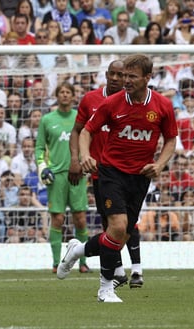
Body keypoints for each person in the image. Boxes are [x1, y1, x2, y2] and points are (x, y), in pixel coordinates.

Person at [58, 54, 178, 303]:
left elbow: (170, 139)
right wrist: (84, 156)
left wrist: (160, 164)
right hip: (110, 172)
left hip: (140, 176)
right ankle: (105, 289)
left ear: (147, 77)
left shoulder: (162, 106)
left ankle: (78, 249)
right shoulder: (111, 103)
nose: (126, 81)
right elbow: (85, 132)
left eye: (132, 76)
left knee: (120, 235)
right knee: (119, 227)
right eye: (124, 76)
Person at [66, 59, 144, 288]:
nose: (116, 78)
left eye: (121, 75)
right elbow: (78, 130)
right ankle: (118, 271)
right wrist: (76, 158)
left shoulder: (133, 102)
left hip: (129, 171)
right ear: (107, 74)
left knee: (129, 222)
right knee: (111, 222)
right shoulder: (91, 99)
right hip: (101, 172)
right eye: (113, 74)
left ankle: (136, 268)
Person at [35, 81, 90, 274]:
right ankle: (56, 262)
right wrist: (43, 167)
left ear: (74, 96)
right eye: (62, 92)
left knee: (81, 219)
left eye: (68, 92)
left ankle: (83, 263)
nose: (65, 95)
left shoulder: (81, 118)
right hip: (57, 176)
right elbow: (39, 148)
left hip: (78, 175)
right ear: (57, 96)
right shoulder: (47, 120)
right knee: (57, 219)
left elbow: (89, 142)